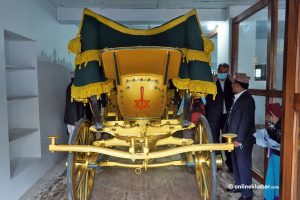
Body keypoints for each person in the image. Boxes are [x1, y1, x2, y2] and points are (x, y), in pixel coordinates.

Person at [224, 73, 256, 200]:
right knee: (236, 164)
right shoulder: (237, 97)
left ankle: (247, 194)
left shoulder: (247, 99)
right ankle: (239, 185)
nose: (231, 85)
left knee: (243, 165)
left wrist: (239, 140)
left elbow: (246, 122)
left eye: (233, 83)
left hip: (242, 140)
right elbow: (231, 117)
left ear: (238, 85)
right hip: (233, 138)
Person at [205, 63, 234, 171]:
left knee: (227, 138)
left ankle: (230, 164)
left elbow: (235, 95)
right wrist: (212, 83)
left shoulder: (230, 83)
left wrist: (232, 81)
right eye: (221, 72)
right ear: (217, 71)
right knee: (214, 138)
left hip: (227, 116)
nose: (223, 74)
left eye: (225, 72)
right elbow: (205, 96)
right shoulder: (211, 81)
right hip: (213, 115)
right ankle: (217, 163)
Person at [264, 104, 282, 200]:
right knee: (272, 179)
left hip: (281, 156)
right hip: (274, 154)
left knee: (278, 180)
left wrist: (278, 122)